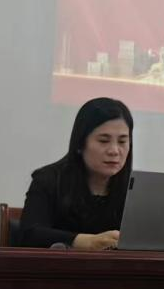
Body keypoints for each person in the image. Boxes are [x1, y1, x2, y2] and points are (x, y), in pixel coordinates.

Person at [19, 98, 133, 249]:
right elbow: (29, 234)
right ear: (80, 144)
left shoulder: (134, 188)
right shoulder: (48, 180)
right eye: (103, 141)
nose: (114, 151)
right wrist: (84, 242)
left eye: (122, 141)